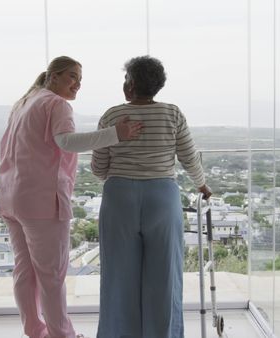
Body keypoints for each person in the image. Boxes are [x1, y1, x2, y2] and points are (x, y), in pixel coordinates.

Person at [0, 56, 143, 338]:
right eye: (72, 77)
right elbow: (66, 141)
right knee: (51, 275)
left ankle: (35, 331)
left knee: (25, 271)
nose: (77, 84)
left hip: (12, 198)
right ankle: (61, 335)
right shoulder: (56, 104)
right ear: (53, 76)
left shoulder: (24, 103)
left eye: (80, 79)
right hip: (41, 202)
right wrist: (116, 134)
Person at [91, 55, 212, 338]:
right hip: (162, 196)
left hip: (119, 196)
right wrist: (202, 185)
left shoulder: (112, 116)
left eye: (126, 79)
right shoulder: (172, 114)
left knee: (118, 275)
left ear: (131, 85)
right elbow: (189, 158)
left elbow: (98, 168)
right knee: (165, 275)